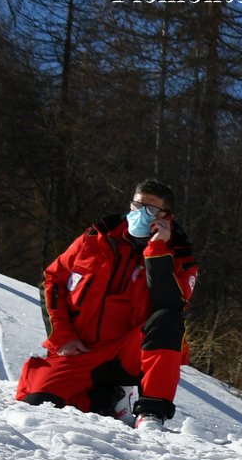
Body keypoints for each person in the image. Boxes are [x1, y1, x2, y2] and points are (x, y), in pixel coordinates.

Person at [15, 179, 197, 429]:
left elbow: (171, 303)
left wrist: (157, 249)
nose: (141, 214)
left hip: (129, 353)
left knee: (168, 320)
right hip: (81, 351)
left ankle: (151, 412)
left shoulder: (180, 253)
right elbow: (52, 279)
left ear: (166, 216)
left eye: (151, 210)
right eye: (137, 205)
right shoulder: (97, 235)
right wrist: (63, 336)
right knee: (39, 404)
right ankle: (109, 398)